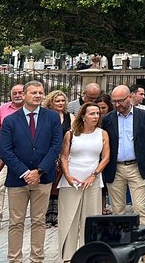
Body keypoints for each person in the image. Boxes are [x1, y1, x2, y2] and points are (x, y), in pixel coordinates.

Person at [0, 80, 63, 263]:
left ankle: (37, 258)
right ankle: (14, 259)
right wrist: (25, 172)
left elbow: (56, 146)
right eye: (33, 92)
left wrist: (40, 171)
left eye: (41, 92)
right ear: (24, 95)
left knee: (38, 221)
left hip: (43, 179)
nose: (38, 95)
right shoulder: (10, 120)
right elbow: (5, 150)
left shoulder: (52, 117)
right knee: (16, 222)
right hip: (18, 180)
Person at [57, 103, 110, 262]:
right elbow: (64, 157)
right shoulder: (71, 134)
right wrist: (67, 175)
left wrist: (93, 175)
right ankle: (68, 257)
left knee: (91, 220)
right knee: (68, 219)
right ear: (83, 116)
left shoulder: (103, 133)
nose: (96, 116)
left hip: (93, 181)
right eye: (92, 113)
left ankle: (90, 255)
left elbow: (106, 157)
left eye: (97, 113)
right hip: (71, 181)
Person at [101, 85, 145, 228]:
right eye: (114, 101)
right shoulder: (107, 119)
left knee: (141, 208)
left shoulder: (144, 116)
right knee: (117, 210)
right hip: (115, 168)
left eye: (120, 101)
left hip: (136, 167)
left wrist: (140, 153)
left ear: (130, 97)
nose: (117, 104)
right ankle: (120, 244)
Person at [0, 84, 24, 231]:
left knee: (22, 189)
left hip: (23, 156)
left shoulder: (31, 110)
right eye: (14, 93)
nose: (17, 95)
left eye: (20, 92)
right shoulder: (3, 109)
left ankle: (18, 219)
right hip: (3, 155)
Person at [43, 90, 71, 228]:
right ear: (51, 102)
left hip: (65, 154)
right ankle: (47, 217)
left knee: (60, 186)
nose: (61, 103)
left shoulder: (69, 116)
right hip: (49, 153)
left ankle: (58, 216)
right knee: (48, 185)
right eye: (57, 101)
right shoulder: (45, 116)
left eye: (62, 101)